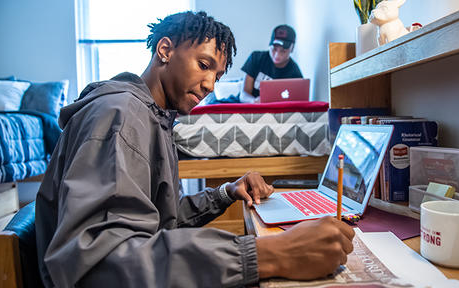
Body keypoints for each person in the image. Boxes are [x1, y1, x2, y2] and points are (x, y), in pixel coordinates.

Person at [35, 11, 354, 287]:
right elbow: (100, 266)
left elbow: (157, 222)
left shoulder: (154, 118)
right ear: (165, 50)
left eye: (217, 75)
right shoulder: (120, 116)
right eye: (204, 65)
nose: (211, 85)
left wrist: (226, 192)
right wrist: (270, 254)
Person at [240, 24, 303, 103]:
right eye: (274, 49)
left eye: (283, 51)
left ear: (292, 48)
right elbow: (243, 95)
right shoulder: (256, 58)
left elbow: (299, 103)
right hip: (248, 105)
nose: (277, 55)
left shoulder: (295, 73)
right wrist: (254, 101)